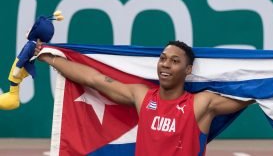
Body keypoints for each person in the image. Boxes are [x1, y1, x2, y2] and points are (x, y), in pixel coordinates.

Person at [36, 40, 254, 156]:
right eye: (163, 58)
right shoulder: (141, 96)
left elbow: (251, 95)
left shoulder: (201, 104)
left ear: (188, 70)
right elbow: (95, 80)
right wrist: (48, 56)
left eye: (175, 61)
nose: (166, 64)